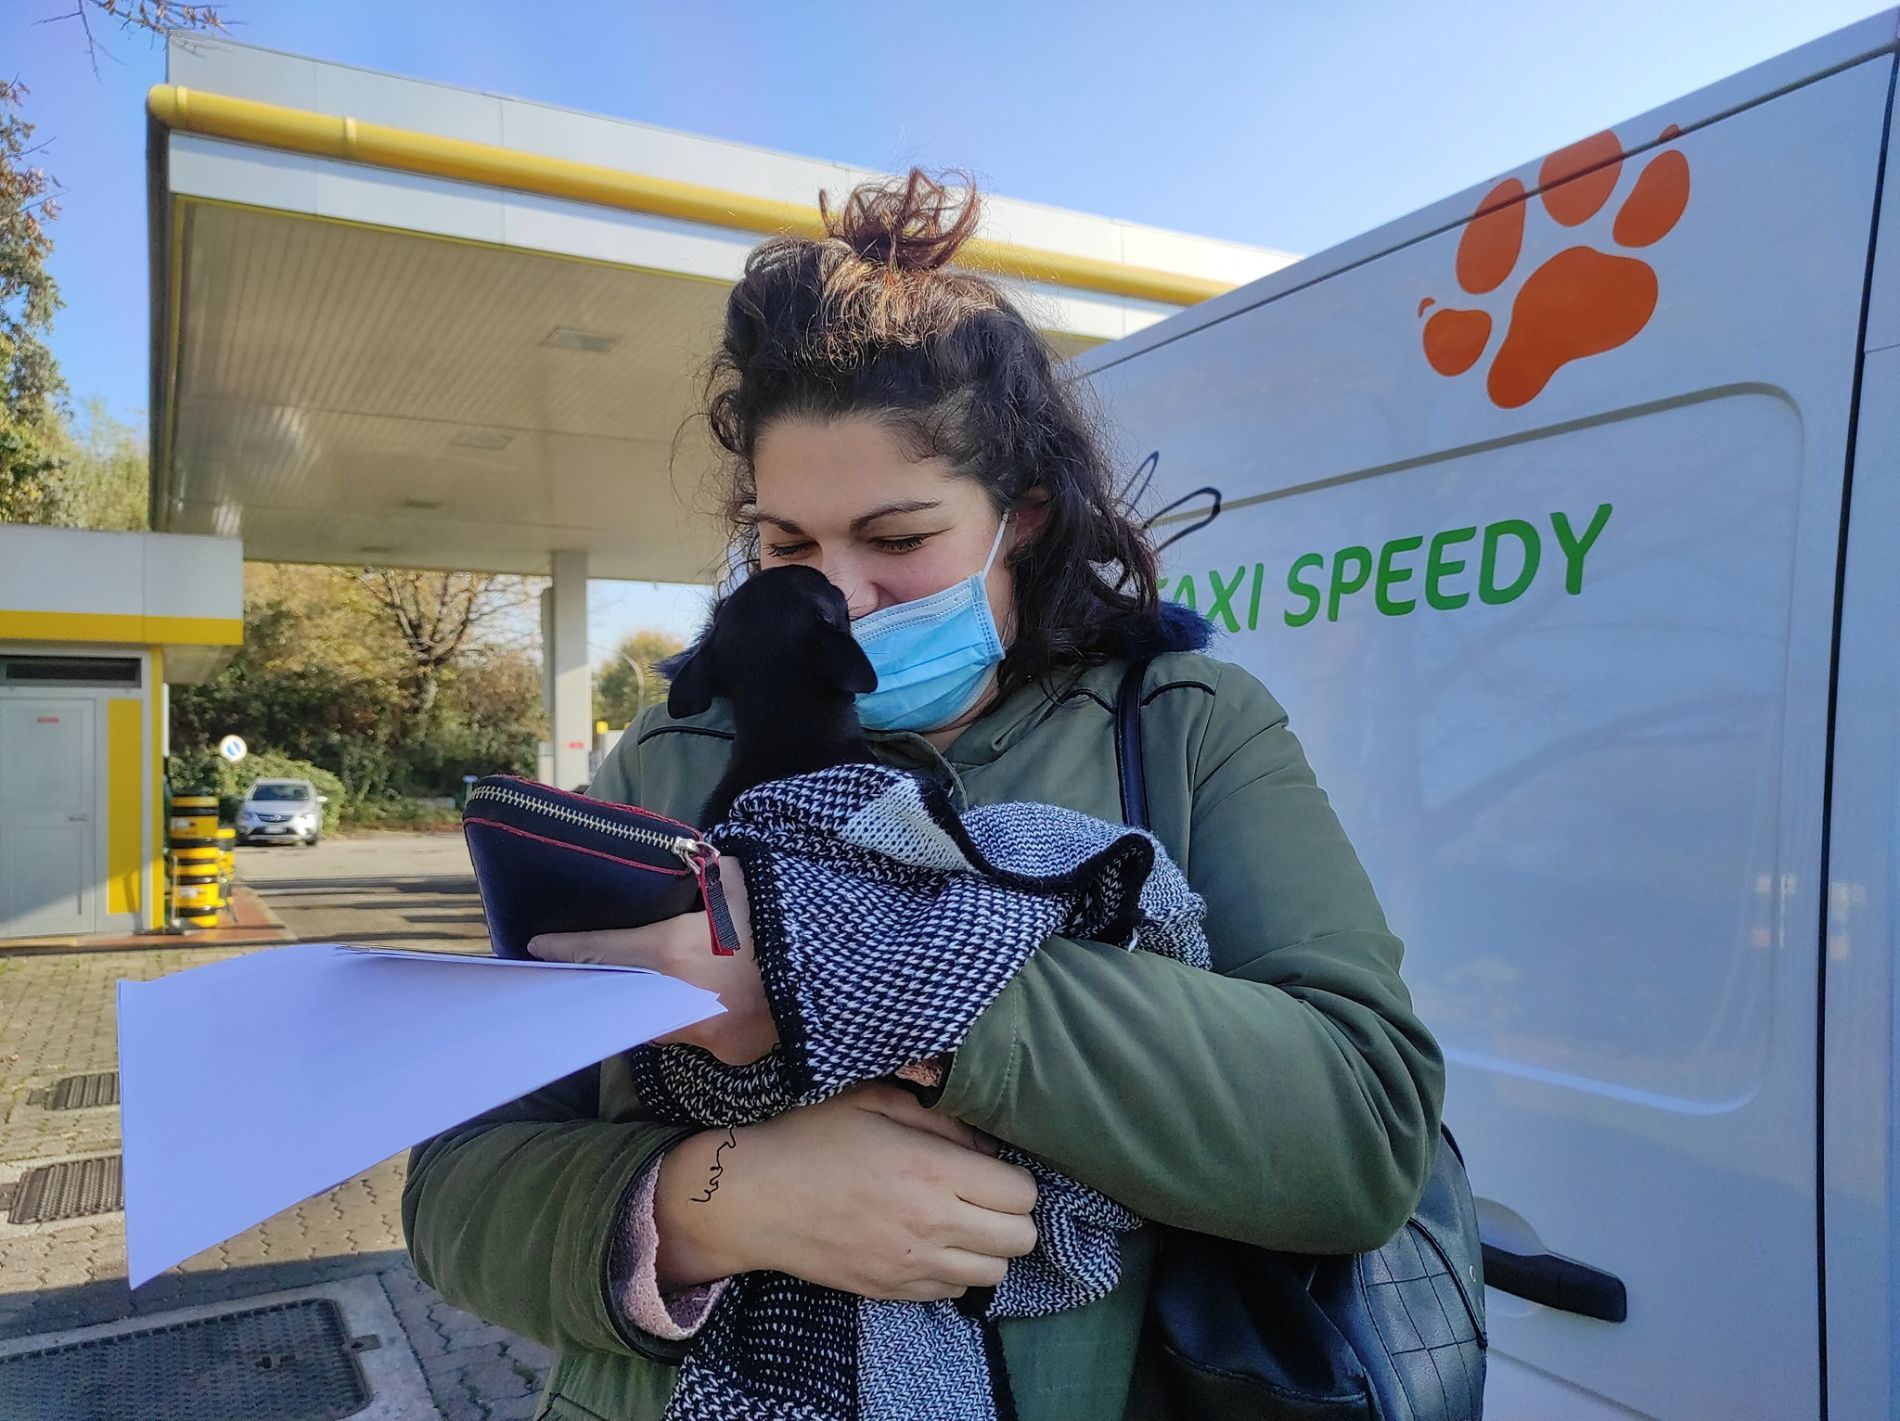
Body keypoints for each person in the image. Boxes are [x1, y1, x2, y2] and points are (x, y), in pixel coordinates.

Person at [401, 169, 1445, 1421]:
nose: (838, 594)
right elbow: (457, 1186)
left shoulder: (1184, 726)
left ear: (1024, 517)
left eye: (897, 539)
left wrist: (851, 973)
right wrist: (718, 1199)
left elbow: (1363, 1133)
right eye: (787, 545)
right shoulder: (665, 760)